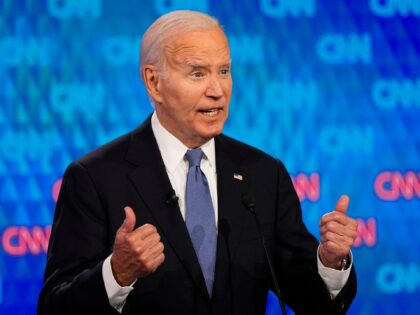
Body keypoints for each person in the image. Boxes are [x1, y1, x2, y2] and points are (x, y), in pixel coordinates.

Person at [38, 10, 357, 315]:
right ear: (154, 82)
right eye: (198, 73)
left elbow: (313, 304)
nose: (217, 90)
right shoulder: (95, 178)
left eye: (224, 71)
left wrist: (330, 263)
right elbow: (54, 307)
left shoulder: (263, 174)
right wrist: (116, 274)